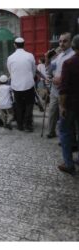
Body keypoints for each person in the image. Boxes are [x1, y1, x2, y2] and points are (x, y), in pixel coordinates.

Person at [57, 34, 79, 175]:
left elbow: (64, 89)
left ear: (73, 45)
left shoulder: (69, 63)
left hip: (71, 104)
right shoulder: (63, 59)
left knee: (65, 132)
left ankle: (69, 163)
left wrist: (62, 106)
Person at [46, 33, 75, 139]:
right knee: (52, 111)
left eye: (65, 41)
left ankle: (65, 138)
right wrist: (47, 58)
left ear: (70, 42)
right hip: (54, 89)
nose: (62, 44)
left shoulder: (72, 55)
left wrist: (61, 80)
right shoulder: (59, 56)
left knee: (63, 114)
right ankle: (51, 131)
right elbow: (49, 70)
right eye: (60, 41)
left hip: (65, 90)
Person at [7, 37, 36, 132]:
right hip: (28, 85)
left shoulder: (10, 58)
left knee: (19, 105)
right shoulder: (30, 56)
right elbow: (33, 71)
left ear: (14, 45)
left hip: (16, 86)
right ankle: (28, 124)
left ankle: (20, 125)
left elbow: (10, 72)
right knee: (29, 105)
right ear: (24, 44)